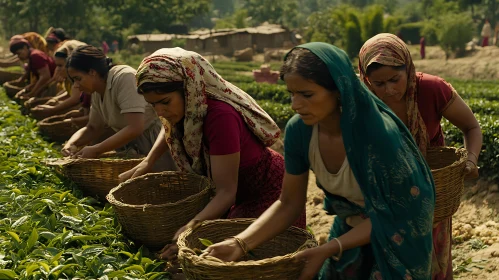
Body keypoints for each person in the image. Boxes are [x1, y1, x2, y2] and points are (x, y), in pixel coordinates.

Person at [206, 42, 436, 280]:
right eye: (292, 94)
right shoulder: (301, 131)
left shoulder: (376, 137)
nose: (296, 105)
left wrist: (329, 248)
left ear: (338, 89)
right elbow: (288, 204)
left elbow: (397, 214)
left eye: (307, 94)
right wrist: (239, 243)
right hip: (351, 227)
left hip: (401, 235)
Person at [120, 48, 306, 260]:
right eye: (153, 105)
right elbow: (168, 124)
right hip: (237, 191)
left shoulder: (220, 117)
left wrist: (190, 230)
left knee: (249, 256)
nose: (159, 112)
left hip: (267, 190)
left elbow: (226, 192)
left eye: (164, 102)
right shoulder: (188, 108)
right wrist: (148, 161)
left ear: (188, 90)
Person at [358, 33, 482, 280]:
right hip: (384, 196)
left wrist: (471, 160)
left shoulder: (432, 90)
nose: (389, 90)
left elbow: (471, 127)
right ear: (365, 78)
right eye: (378, 84)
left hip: (430, 195)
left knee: (428, 262)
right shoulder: (361, 99)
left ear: (408, 68)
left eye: (395, 79)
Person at [60, 45, 177, 174]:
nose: (76, 85)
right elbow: (93, 127)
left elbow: (135, 127)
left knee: (159, 185)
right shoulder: (97, 92)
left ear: (92, 72)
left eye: (78, 79)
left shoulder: (124, 78)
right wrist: (71, 144)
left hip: (153, 144)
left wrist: (97, 149)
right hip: (129, 147)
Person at [32, 40, 88, 120]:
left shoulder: (81, 80)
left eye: (60, 65)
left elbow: (75, 98)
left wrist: (52, 109)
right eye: (56, 65)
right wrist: (55, 100)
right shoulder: (69, 79)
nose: (57, 69)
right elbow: (69, 92)